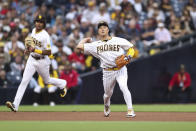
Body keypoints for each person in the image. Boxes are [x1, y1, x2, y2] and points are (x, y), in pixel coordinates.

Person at [6, 14, 67, 112]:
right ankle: (15, 105)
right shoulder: (33, 30)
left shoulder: (45, 36)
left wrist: (35, 50)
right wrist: (27, 49)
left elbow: (49, 52)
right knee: (24, 81)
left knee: (47, 80)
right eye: (37, 21)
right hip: (32, 59)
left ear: (44, 24)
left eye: (41, 22)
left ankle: (62, 83)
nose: (38, 24)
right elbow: (31, 44)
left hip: (42, 60)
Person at [76, 21, 136, 118]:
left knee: (123, 87)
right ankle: (106, 106)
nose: (102, 29)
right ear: (98, 31)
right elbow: (79, 46)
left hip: (121, 69)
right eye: (100, 28)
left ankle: (130, 110)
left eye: (104, 27)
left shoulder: (118, 40)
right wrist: (85, 39)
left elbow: (131, 48)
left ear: (108, 29)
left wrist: (129, 56)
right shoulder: (95, 45)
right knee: (107, 94)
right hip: (107, 71)